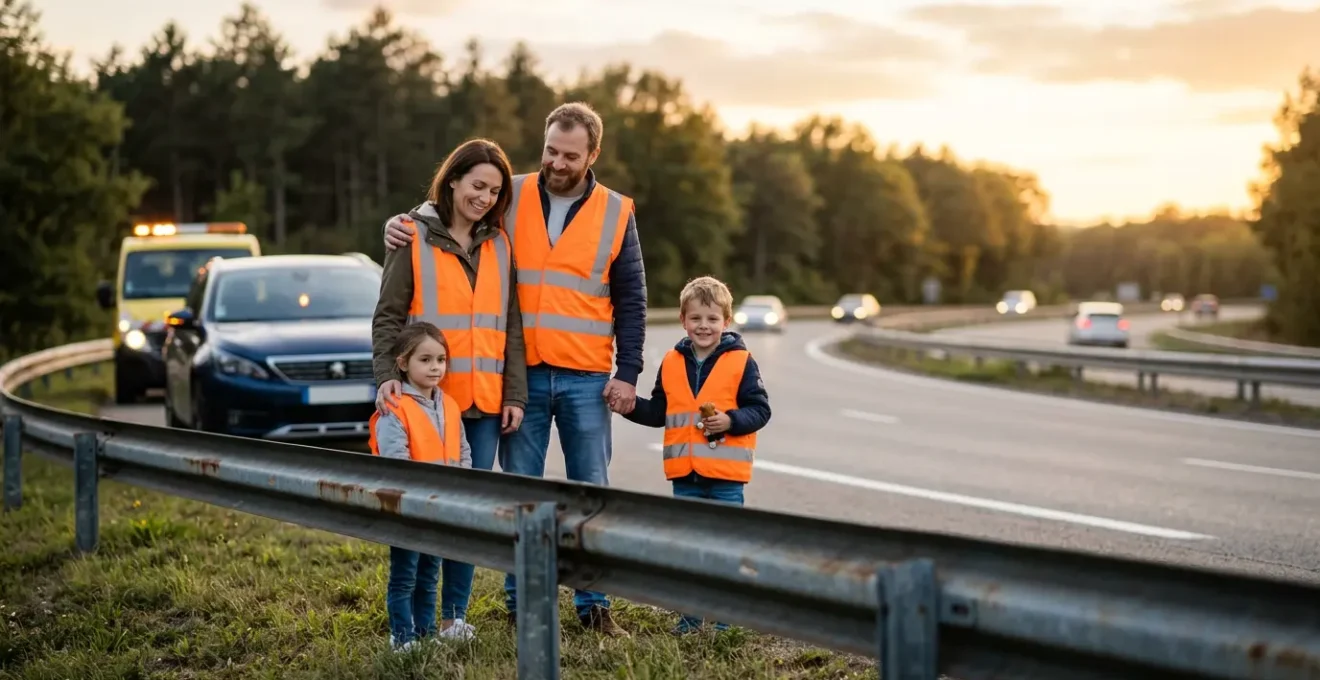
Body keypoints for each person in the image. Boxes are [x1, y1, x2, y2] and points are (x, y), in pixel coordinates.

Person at [381, 102, 647, 637]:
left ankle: (593, 606)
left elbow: (632, 298)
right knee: (514, 496)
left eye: (571, 155)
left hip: (585, 377)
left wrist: (630, 370)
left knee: (588, 492)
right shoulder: (510, 193)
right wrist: (398, 222)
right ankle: (519, 600)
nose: (557, 162)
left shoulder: (617, 212)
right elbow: (448, 210)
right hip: (514, 381)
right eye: (551, 150)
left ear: (593, 155)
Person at [371, 138, 527, 640]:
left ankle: (454, 617)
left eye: (495, 190)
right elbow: (389, 315)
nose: (484, 197)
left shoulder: (500, 243)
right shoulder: (411, 235)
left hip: (481, 403)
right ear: (453, 180)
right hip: (427, 405)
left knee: (467, 517)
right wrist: (387, 378)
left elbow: (513, 326)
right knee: (423, 513)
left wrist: (516, 394)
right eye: (477, 185)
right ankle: (411, 620)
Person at [620, 276, 771, 635]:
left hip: (725, 477)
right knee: (688, 550)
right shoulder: (672, 362)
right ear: (683, 320)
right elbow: (660, 412)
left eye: (712, 319)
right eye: (697, 318)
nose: (704, 326)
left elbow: (760, 410)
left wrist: (731, 421)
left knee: (722, 549)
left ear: (726, 322)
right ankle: (690, 618)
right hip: (685, 475)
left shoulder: (741, 362)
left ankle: (723, 622)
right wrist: (628, 407)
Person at [368, 322, 475, 649]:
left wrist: (462, 487)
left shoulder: (450, 405)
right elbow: (394, 458)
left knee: (429, 576)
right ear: (403, 363)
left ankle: (426, 636)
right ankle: (402, 640)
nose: (435, 368)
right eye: (425, 360)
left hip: (439, 507)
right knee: (404, 579)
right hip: (407, 508)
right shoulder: (395, 407)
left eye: (440, 360)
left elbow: (464, 452)